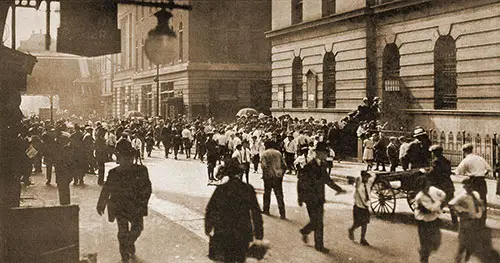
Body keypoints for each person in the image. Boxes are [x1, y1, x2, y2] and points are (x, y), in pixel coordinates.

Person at [96, 144, 152, 263]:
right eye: (123, 158)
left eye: (129, 158)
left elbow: (147, 188)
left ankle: (128, 244)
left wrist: (143, 202)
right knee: (123, 230)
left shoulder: (141, 170)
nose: (126, 161)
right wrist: (101, 204)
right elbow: (107, 189)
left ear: (132, 158)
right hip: (119, 206)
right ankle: (124, 254)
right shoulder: (114, 172)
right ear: (119, 159)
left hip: (135, 205)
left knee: (138, 228)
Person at [205, 158, 264, 263]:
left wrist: (208, 227)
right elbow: (256, 212)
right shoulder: (248, 189)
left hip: (224, 231)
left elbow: (210, 209)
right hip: (243, 232)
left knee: (227, 259)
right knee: (240, 258)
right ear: (240, 173)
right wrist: (259, 233)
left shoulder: (221, 189)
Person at [296, 144, 344, 253]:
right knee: (317, 222)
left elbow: (327, 180)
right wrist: (300, 198)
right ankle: (318, 245)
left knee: (317, 222)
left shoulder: (322, 165)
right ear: (318, 153)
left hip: (319, 198)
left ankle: (305, 232)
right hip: (310, 198)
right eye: (324, 152)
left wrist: (338, 189)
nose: (326, 154)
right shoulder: (309, 165)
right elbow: (301, 182)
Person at [455, 143, 492, 224]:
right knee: (482, 199)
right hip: (482, 181)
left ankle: (475, 220)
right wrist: (482, 174)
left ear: (464, 151)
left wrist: (468, 174)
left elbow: (457, 172)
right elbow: (489, 169)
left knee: (473, 199)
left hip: (473, 181)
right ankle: (483, 220)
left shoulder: (466, 160)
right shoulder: (480, 158)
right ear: (472, 150)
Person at [414, 175, 446, 263]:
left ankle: (424, 252)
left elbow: (443, 195)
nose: (425, 188)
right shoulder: (419, 197)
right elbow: (425, 210)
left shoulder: (433, 190)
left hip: (433, 219)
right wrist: (435, 207)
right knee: (425, 242)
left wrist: (439, 202)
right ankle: (424, 259)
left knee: (436, 242)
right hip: (423, 220)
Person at [427, 145, 456, 224]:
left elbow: (433, 173)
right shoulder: (446, 161)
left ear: (435, 153)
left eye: (432, 152)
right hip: (448, 183)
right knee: (450, 202)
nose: (432, 154)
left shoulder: (436, 161)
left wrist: (426, 173)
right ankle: (454, 219)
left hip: (440, 185)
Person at [348, 170, 376, 246]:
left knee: (365, 223)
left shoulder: (369, 183)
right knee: (357, 223)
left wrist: (371, 172)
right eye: (365, 177)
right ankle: (351, 230)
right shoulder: (358, 184)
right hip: (358, 206)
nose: (366, 179)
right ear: (362, 177)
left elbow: (374, 175)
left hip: (365, 206)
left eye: (367, 177)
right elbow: (354, 183)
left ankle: (362, 239)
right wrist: (357, 180)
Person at [260, 140, 286, 219]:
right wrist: (281, 174)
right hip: (278, 177)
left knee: (267, 193)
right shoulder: (278, 153)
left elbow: (263, 166)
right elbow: (284, 165)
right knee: (279, 195)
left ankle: (266, 209)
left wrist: (265, 174)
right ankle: (282, 213)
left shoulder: (264, 154)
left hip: (268, 177)